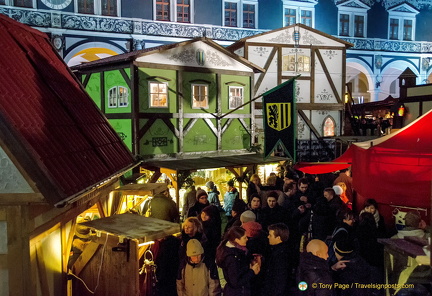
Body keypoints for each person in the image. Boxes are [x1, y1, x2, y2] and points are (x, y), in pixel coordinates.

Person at [216, 226, 260, 296]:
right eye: (244, 238)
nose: (247, 239)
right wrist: (252, 271)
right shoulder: (231, 257)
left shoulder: (240, 251)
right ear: (236, 240)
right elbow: (235, 282)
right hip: (237, 293)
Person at [261, 223, 292, 296]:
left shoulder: (281, 256)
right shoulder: (276, 250)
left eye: (270, 235)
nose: (268, 237)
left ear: (278, 238)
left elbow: (280, 279)